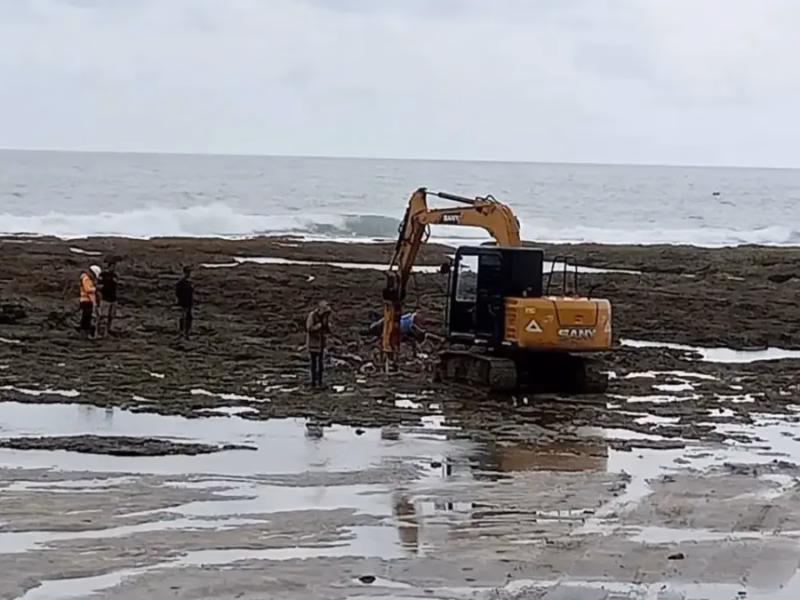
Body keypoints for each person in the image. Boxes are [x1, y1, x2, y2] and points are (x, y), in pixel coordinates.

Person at [306, 300, 332, 388]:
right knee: (314, 363)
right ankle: (313, 382)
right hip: (313, 343)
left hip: (321, 343)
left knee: (321, 363)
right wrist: (317, 326)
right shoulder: (312, 315)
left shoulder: (325, 317)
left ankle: (320, 382)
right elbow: (309, 328)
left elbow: (327, 330)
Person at [79, 265, 101, 339]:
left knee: (88, 318)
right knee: (86, 318)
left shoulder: (88, 279)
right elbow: (88, 289)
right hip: (86, 301)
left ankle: (86, 333)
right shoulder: (86, 278)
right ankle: (83, 334)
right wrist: (95, 289)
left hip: (89, 301)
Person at [97, 260, 119, 337]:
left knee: (111, 316)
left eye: (115, 266)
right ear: (109, 266)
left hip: (113, 299)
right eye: (112, 266)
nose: (114, 268)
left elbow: (116, 285)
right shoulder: (103, 275)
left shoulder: (115, 275)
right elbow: (98, 285)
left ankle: (107, 331)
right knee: (102, 316)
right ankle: (99, 332)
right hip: (105, 298)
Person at [175, 266, 194, 339]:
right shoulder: (182, 283)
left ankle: (186, 333)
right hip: (184, 302)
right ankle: (183, 332)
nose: (189, 274)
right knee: (184, 317)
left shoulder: (189, 282)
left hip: (189, 303)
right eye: (188, 272)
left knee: (188, 317)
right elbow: (178, 293)